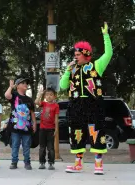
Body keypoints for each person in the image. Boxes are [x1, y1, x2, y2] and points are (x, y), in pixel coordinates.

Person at [59, 22, 113, 175]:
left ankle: (98, 165)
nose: (75, 57)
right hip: (75, 104)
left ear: (85, 55)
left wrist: (106, 36)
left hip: (93, 103)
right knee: (76, 133)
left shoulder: (96, 65)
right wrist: (67, 71)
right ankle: (78, 164)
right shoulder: (72, 69)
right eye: (74, 55)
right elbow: (63, 86)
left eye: (77, 55)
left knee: (96, 131)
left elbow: (108, 54)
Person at [4, 77, 37, 170]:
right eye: (23, 83)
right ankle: (14, 162)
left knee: (26, 145)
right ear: (17, 86)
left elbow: (32, 113)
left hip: (27, 127)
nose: (25, 84)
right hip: (15, 127)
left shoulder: (29, 100)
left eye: (26, 83)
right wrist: (11, 87)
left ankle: (27, 162)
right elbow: (7, 95)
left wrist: (34, 124)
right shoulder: (14, 95)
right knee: (15, 145)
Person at [35, 86, 59, 170]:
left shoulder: (56, 106)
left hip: (51, 130)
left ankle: (51, 163)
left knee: (50, 148)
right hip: (42, 129)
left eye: (51, 95)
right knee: (42, 147)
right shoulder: (44, 104)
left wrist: (56, 129)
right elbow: (36, 102)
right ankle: (42, 163)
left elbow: (56, 118)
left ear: (54, 96)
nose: (49, 96)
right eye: (47, 95)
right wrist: (40, 94)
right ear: (45, 96)